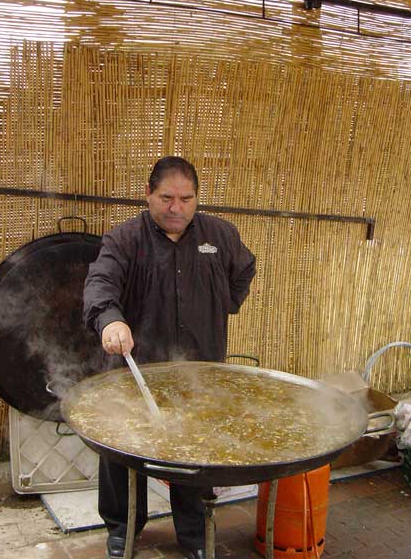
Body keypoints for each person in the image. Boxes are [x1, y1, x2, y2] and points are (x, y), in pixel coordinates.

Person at [83, 156, 256, 559]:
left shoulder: (220, 235)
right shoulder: (125, 240)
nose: (176, 207)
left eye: (186, 198)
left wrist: (226, 302)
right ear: (148, 194)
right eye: (166, 198)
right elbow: (99, 283)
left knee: (194, 451)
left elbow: (244, 269)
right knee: (123, 451)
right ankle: (123, 529)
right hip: (135, 372)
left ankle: (194, 535)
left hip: (199, 371)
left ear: (197, 198)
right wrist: (110, 320)